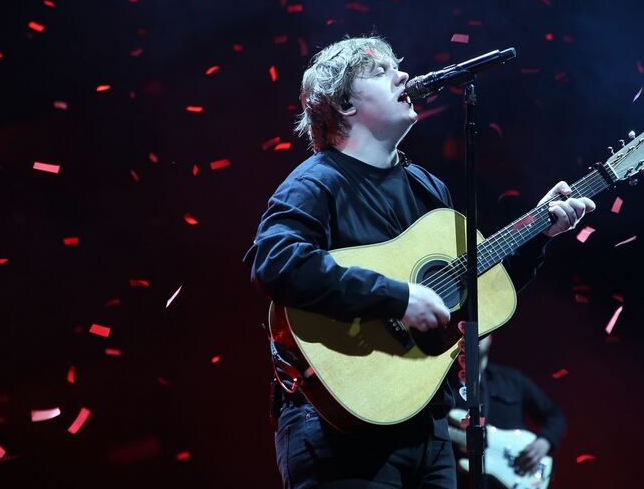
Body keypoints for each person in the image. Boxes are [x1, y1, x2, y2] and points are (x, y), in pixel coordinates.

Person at [245, 35, 595, 488]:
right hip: (338, 432)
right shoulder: (316, 182)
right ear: (345, 104)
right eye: (380, 71)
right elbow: (275, 262)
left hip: (428, 426)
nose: (404, 75)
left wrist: (537, 233)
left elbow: (471, 290)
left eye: (399, 66)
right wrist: (396, 296)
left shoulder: (428, 188)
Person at [450, 335, 566, 487]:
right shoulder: (444, 388)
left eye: (484, 329)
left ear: (491, 338)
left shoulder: (512, 380)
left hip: (517, 477)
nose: (478, 334)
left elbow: (555, 415)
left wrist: (544, 442)